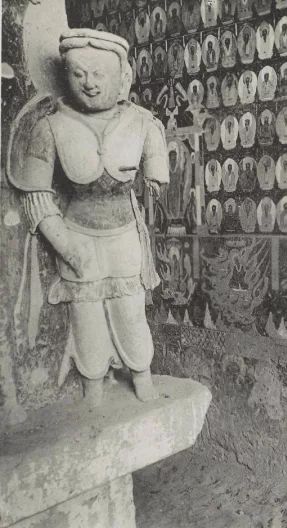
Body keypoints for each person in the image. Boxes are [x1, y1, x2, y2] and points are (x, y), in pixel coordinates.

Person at [10, 29, 168, 404]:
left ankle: (142, 375)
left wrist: (155, 174)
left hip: (125, 234)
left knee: (131, 310)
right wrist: (64, 244)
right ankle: (92, 386)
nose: (90, 84)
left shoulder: (142, 123)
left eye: (99, 74)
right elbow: (35, 195)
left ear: (123, 77)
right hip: (75, 234)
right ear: (66, 76)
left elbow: (158, 173)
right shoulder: (50, 126)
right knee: (86, 317)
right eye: (79, 74)